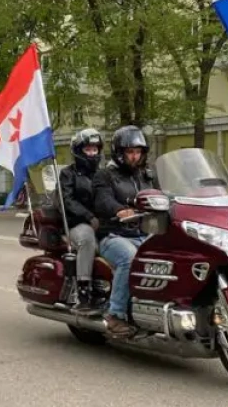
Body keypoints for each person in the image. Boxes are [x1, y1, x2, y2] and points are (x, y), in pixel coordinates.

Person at [92, 125, 157, 336]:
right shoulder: (105, 175)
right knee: (129, 259)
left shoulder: (146, 176)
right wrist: (120, 210)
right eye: (130, 152)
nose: (134, 156)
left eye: (138, 152)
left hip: (143, 233)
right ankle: (115, 315)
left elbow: (164, 194)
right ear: (120, 153)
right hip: (113, 235)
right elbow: (103, 200)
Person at [59, 128, 105, 315]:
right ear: (78, 151)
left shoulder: (103, 174)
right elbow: (67, 201)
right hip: (75, 224)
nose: (92, 153)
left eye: (95, 149)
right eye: (88, 150)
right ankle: (83, 293)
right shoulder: (67, 174)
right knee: (87, 240)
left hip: (101, 223)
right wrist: (89, 217)